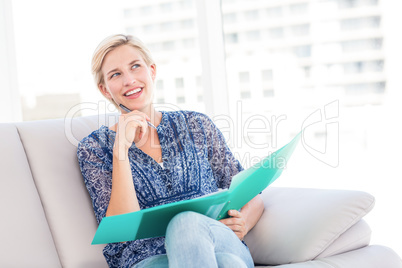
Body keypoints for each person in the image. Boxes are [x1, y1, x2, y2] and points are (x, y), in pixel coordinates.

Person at [77, 34, 264, 268]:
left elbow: (252, 195)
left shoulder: (196, 125)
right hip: (148, 260)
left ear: (152, 71)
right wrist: (121, 149)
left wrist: (243, 222)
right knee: (227, 263)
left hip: (217, 242)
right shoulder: (95, 148)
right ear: (105, 90)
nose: (129, 80)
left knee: (189, 225)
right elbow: (121, 231)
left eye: (136, 66)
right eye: (116, 74)